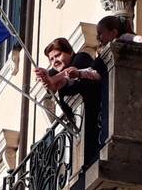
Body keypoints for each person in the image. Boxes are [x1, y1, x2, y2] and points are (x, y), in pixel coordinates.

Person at [96, 15, 142, 166]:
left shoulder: (126, 37)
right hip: (138, 90)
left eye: (101, 32)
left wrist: (122, 42)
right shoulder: (106, 49)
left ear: (113, 32)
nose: (98, 37)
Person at [34, 37, 106, 165]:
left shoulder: (81, 57)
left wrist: (51, 81)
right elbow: (53, 82)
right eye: (51, 59)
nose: (55, 61)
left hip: (97, 117)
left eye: (58, 55)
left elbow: (69, 72)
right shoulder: (55, 71)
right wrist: (48, 81)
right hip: (80, 126)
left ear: (69, 52)